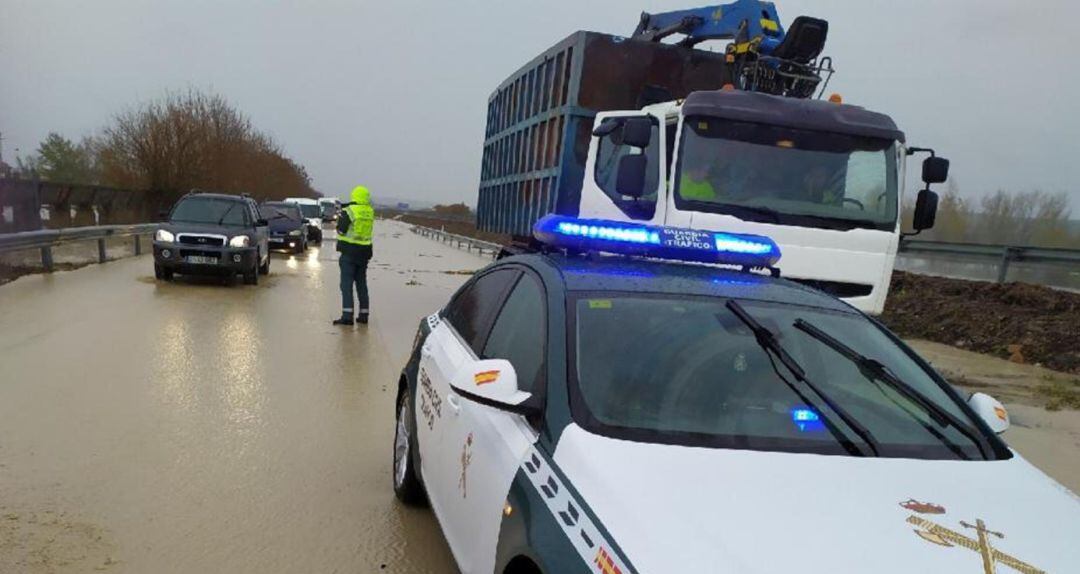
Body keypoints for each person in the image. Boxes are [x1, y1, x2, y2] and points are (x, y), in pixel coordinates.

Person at [333, 185, 375, 326]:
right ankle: (364, 315)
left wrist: (340, 220)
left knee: (346, 285)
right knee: (362, 284)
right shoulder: (370, 212)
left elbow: (341, 231)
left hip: (349, 252)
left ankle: (347, 316)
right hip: (364, 253)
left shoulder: (349, 211)